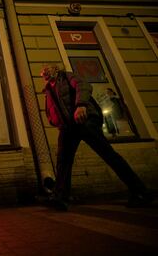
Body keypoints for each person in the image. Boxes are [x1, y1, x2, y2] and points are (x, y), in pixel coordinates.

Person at [40, 64, 153, 211]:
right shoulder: (48, 90)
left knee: (108, 154)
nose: (44, 72)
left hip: (84, 120)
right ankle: (60, 197)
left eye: (47, 69)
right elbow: (51, 111)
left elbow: (84, 85)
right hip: (68, 127)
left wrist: (81, 105)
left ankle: (141, 192)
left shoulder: (67, 77)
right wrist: (55, 121)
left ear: (55, 69)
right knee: (63, 161)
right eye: (42, 72)